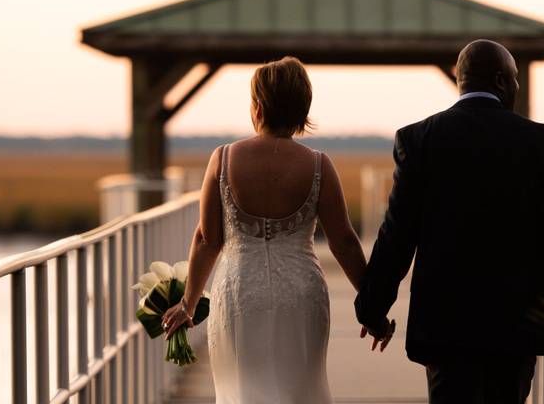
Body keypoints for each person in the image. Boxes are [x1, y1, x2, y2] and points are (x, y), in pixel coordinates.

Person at [354, 39, 544, 404]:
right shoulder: (539, 142)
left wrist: (373, 309)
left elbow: (397, 235)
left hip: (444, 329)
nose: (517, 86)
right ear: (501, 80)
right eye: (515, 79)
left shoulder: (419, 139)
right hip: (514, 329)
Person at [160, 56, 389, 404]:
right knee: (301, 389)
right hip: (302, 293)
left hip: (239, 293)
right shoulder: (319, 166)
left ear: (257, 107)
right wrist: (371, 307)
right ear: (302, 109)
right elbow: (343, 241)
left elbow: (207, 239)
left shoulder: (222, 159)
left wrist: (188, 303)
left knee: (242, 390)